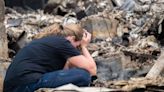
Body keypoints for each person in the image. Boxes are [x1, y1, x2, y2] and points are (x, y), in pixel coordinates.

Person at [3, 23, 97, 92]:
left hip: (13, 87)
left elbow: (62, 74)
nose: (77, 50)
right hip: (25, 85)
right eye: (78, 47)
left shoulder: (49, 43)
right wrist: (84, 47)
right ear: (72, 39)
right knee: (83, 75)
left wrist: (70, 62)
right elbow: (92, 71)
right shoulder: (63, 43)